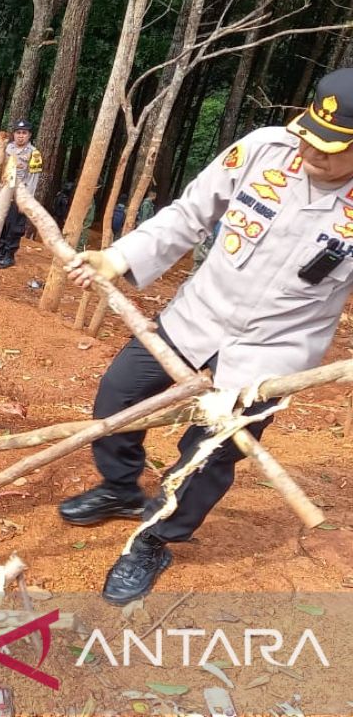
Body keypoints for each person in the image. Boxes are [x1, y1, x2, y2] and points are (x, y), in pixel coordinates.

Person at [58, 68, 353, 605]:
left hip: (274, 349)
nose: (313, 152)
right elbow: (191, 213)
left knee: (210, 453)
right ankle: (120, 488)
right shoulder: (264, 150)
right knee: (119, 396)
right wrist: (118, 257)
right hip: (199, 314)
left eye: (334, 147)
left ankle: (153, 538)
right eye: (310, 135)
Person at [0, 119, 43, 268]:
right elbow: (0, 169)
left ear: (29, 135)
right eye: (18, 133)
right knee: (2, 223)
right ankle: (1, 250)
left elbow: (34, 178)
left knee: (15, 226)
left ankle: (9, 255)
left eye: (24, 133)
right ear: (14, 134)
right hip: (4, 192)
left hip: (20, 194)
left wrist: (27, 200)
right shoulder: (8, 148)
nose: (21, 136)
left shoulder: (34, 153)